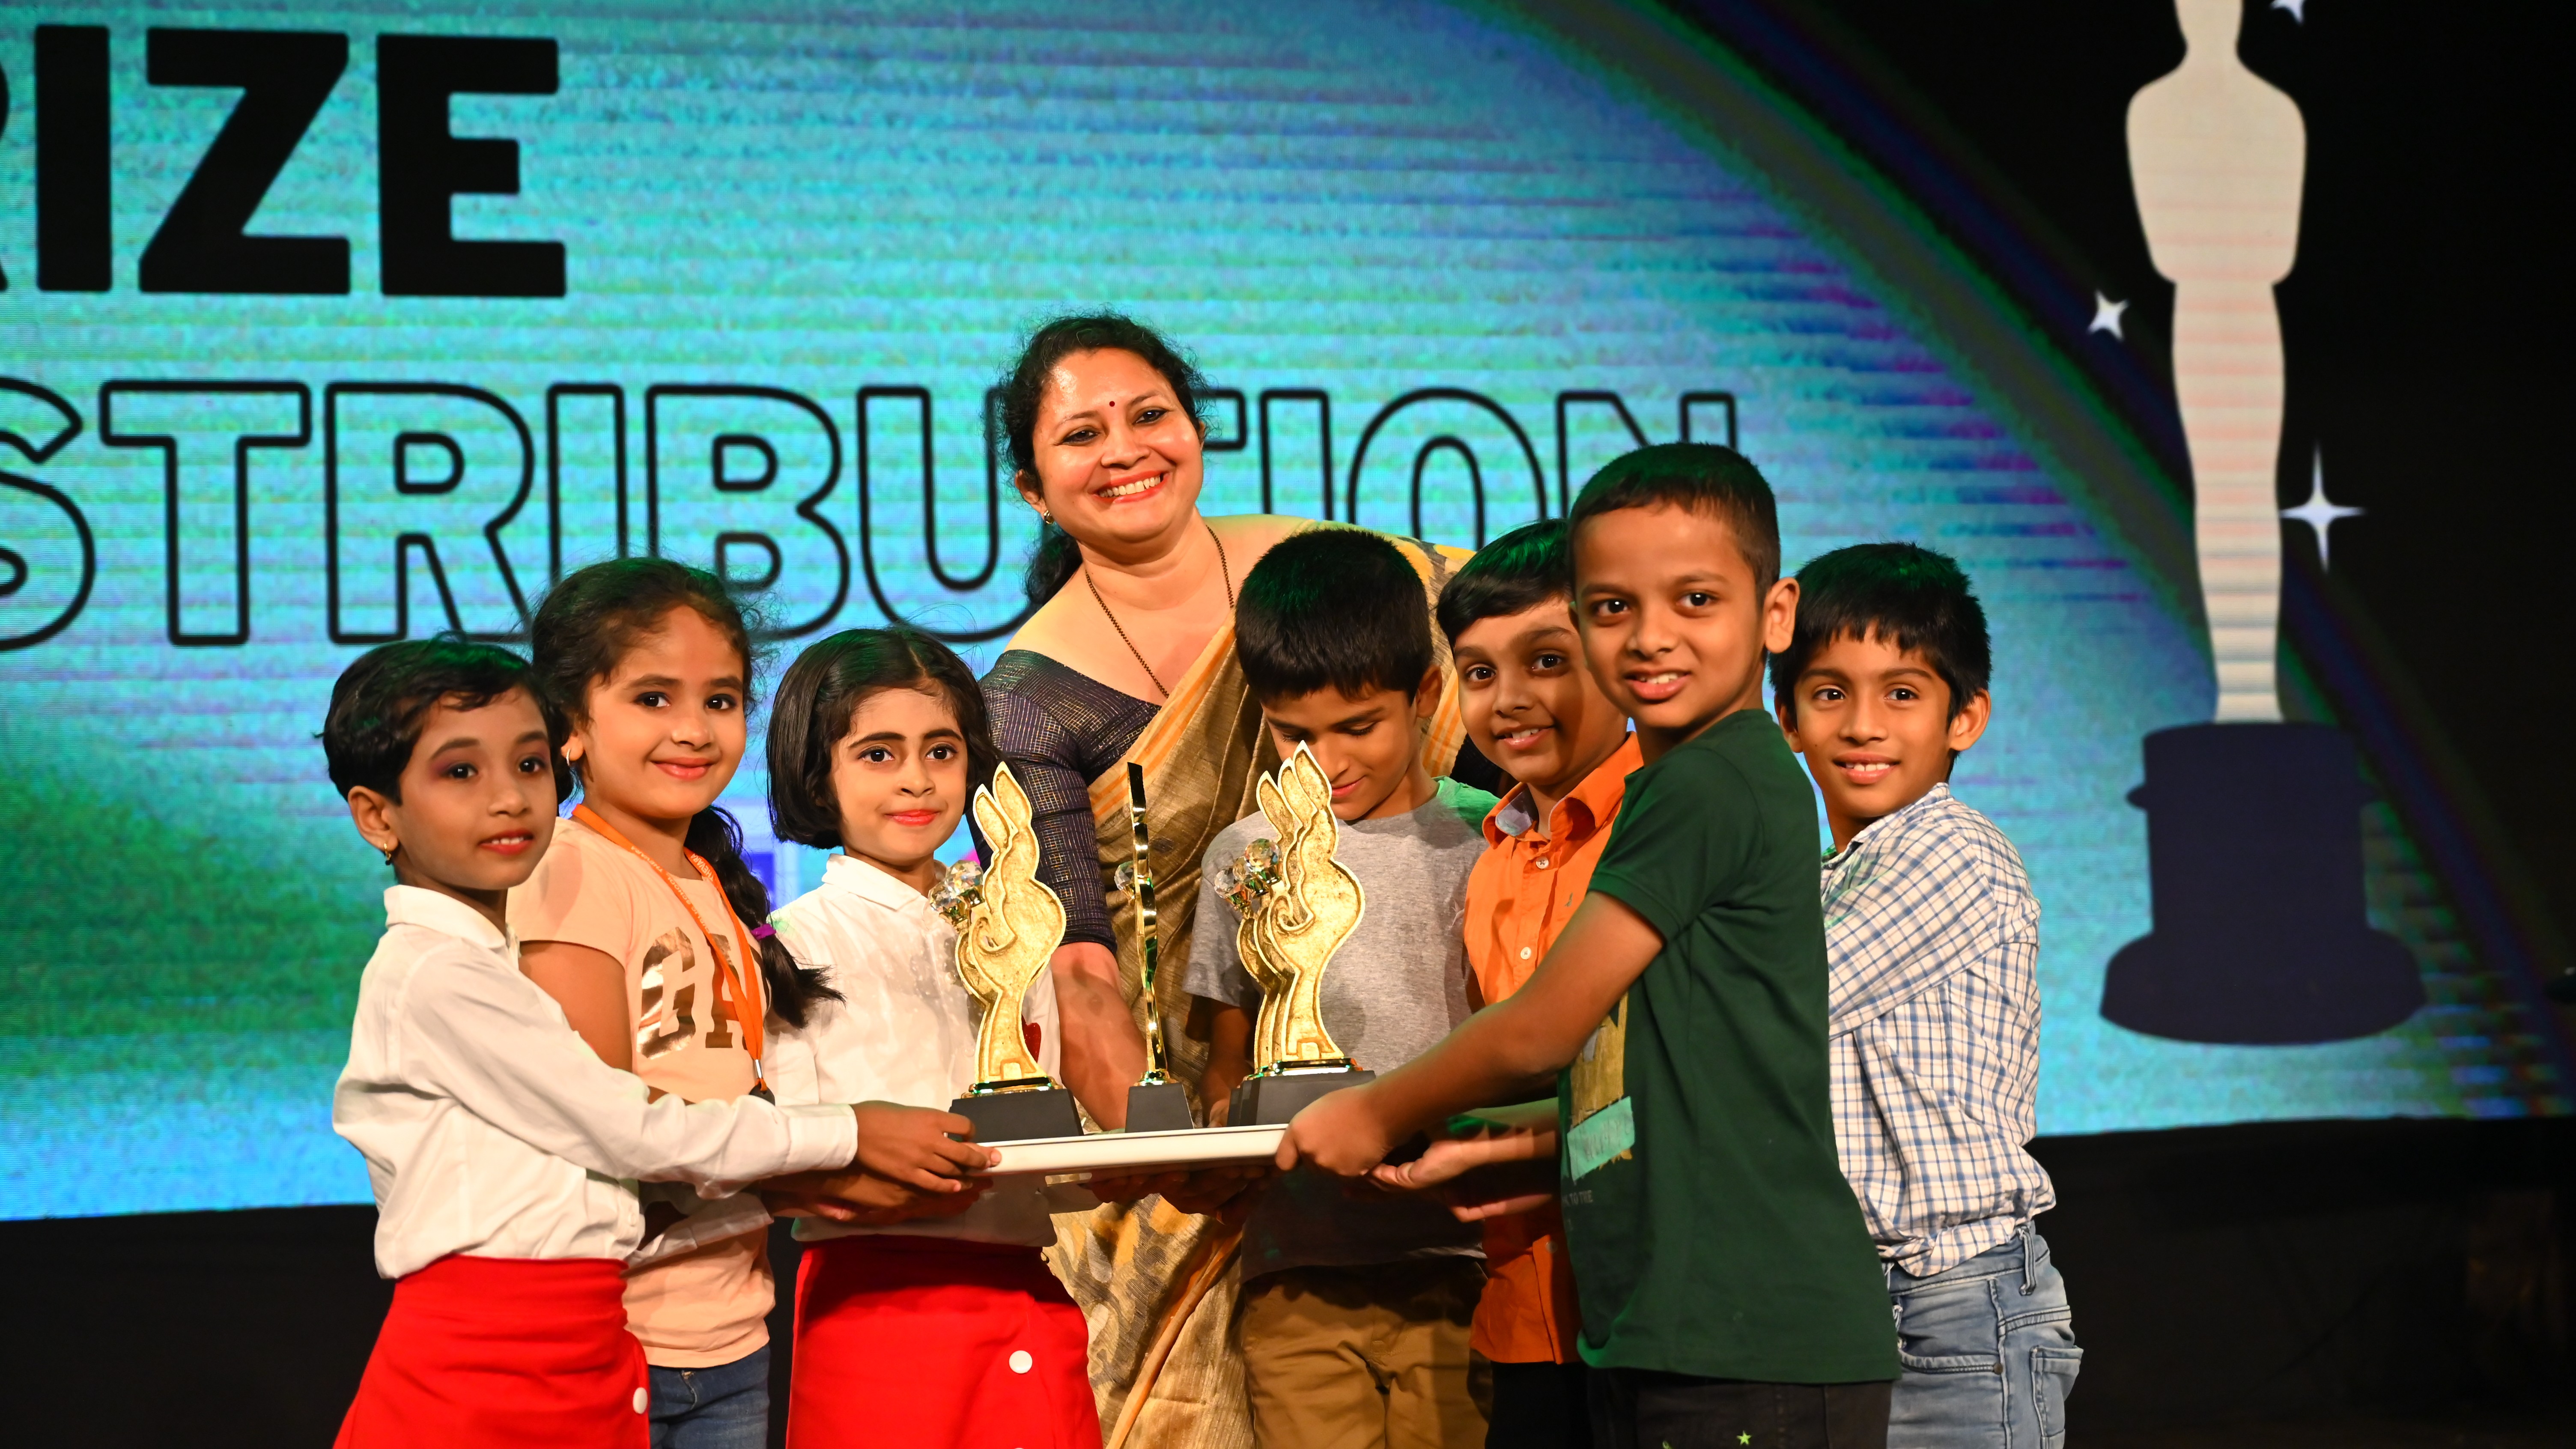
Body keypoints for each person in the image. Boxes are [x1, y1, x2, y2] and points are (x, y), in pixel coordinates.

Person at [1282, 443, 1900, 1449]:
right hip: (1675, 1325)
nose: (1650, 637)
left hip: (1744, 1331)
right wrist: (1476, 1141)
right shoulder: (1683, 782)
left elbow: (1543, 1029)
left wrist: (1376, 1109)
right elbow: (1632, 1084)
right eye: (1613, 607)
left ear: (1775, 613)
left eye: (1694, 600)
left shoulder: (1706, 782)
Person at [978, 312, 1477, 1440]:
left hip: (1426, 1100)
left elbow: (1527, 679)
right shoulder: (1026, 698)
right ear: (1032, 489)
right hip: (1185, 1123)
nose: (1125, 450)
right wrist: (1184, 1159)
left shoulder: (1347, 573)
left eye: (1149, 415)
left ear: (1196, 429)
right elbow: (1080, 970)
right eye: (1081, 435)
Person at [322, 637, 986, 1449]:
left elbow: (606, 1180)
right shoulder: (438, 976)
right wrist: (849, 1133)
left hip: (589, 1339)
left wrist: (796, 1185)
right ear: (377, 816)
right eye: (461, 772)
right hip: (491, 1354)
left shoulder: (484, 962)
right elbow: (629, 1130)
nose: (509, 799)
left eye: (529, 766)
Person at [509, 557, 839, 1448]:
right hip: (615, 1339)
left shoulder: (707, 875)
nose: (693, 731)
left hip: (731, 1335)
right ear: (569, 724)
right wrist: (838, 1149)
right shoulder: (570, 869)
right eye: (652, 699)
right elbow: (603, 1127)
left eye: (720, 701)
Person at [1183, 528, 1495, 1449]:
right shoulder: (1243, 856)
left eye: (1358, 728)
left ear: (1425, 694)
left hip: (1463, 1263)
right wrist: (1239, 1122)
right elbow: (1225, 1064)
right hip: (1298, 1274)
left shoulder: (1490, 844)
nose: (1326, 762)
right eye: (1295, 734)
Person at [758, 625, 1104, 1449]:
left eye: (941, 752)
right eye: (878, 754)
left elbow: (1049, 1112)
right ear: (818, 774)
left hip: (1027, 1294)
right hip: (875, 1307)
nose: (917, 779)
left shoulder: (1019, 926)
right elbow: (782, 1151)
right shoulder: (791, 942)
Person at [1771, 543, 2079, 1447]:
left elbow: (1779, 1004)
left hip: (1952, 1302)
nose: (1863, 725)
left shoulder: (1950, 849)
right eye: (1829, 693)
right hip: (1847, 1298)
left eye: (1901, 693)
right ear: (1787, 720)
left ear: (1965, 717)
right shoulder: (1826, 877)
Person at [1389, 519, 1641, 1449]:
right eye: (1479, 672)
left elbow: (1667, 1083)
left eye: (1547, 661)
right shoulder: (1491, 859)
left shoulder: (1665, 826)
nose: (1509, 700)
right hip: (1524, 1312)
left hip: (1652, 1310)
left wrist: (1476, 1139)